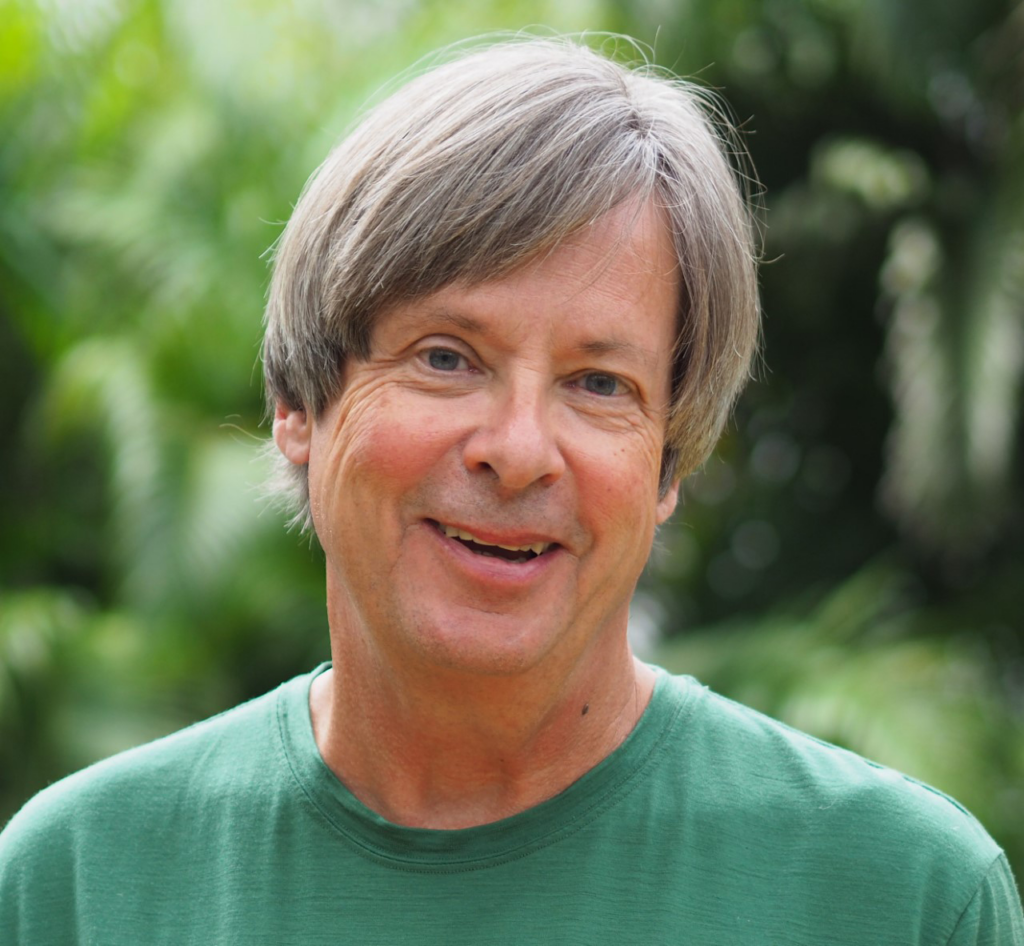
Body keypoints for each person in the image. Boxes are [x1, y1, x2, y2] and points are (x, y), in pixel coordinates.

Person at [1, 35, 1022, 945]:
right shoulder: (76, 884)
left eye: (597, 384)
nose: (520, 448)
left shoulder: (903, 898)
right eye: (447, 357)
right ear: (298, 402)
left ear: (668, 463)